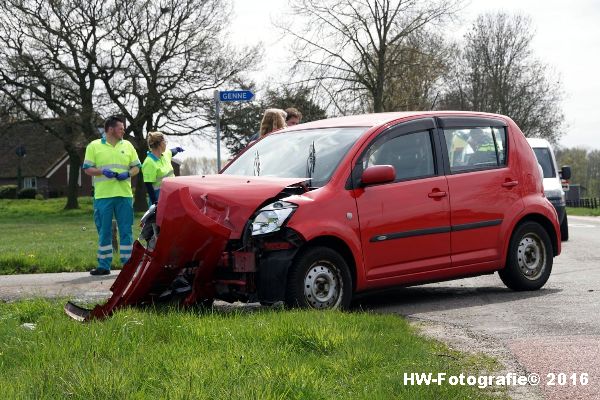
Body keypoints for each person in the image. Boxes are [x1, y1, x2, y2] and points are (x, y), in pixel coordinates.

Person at [82, 116, 141, 276]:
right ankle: (103, 266)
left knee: (126, 231)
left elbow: (137, 167)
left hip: (124, 195)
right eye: (121, 128)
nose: (123, 131)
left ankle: (128, 265)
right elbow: (87, 168)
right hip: (103, 197)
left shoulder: (128, 145)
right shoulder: (94, 146)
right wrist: (102, 171)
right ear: (110, 129)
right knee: (104, 231)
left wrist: (128, 173)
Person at [142, 131, 184, 205]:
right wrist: (155, 204)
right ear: (160, 144)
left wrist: (177, 149)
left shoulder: (165, 155)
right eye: (165, 142)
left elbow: (171, 151)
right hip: (159, 199)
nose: (166, 144)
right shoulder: (149, 163)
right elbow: (149, 187)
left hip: (171, 195)